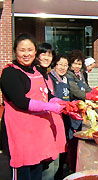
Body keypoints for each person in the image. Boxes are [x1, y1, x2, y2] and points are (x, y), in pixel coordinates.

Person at [0, 34, 66, 180]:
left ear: (35, 51)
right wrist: (49, 107)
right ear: (15, 51)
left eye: (30, 50)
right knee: (23, 174)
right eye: (22, 50)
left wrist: (61, 103)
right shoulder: (10, 73)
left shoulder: (37, 72)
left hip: (38, 135)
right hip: (20, 136)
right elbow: (21, 102)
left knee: (37, 174)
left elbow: (47, 95)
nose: (26, 54)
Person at [35, 42, 66, 180]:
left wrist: (66, 105)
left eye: (49, 55)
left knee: (53, 166)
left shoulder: (46, 76)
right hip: (39, 129)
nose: (47, 58)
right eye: (43, 54)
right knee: (44, 169)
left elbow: (50, 97)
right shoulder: (34, 74)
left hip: (53, 125)